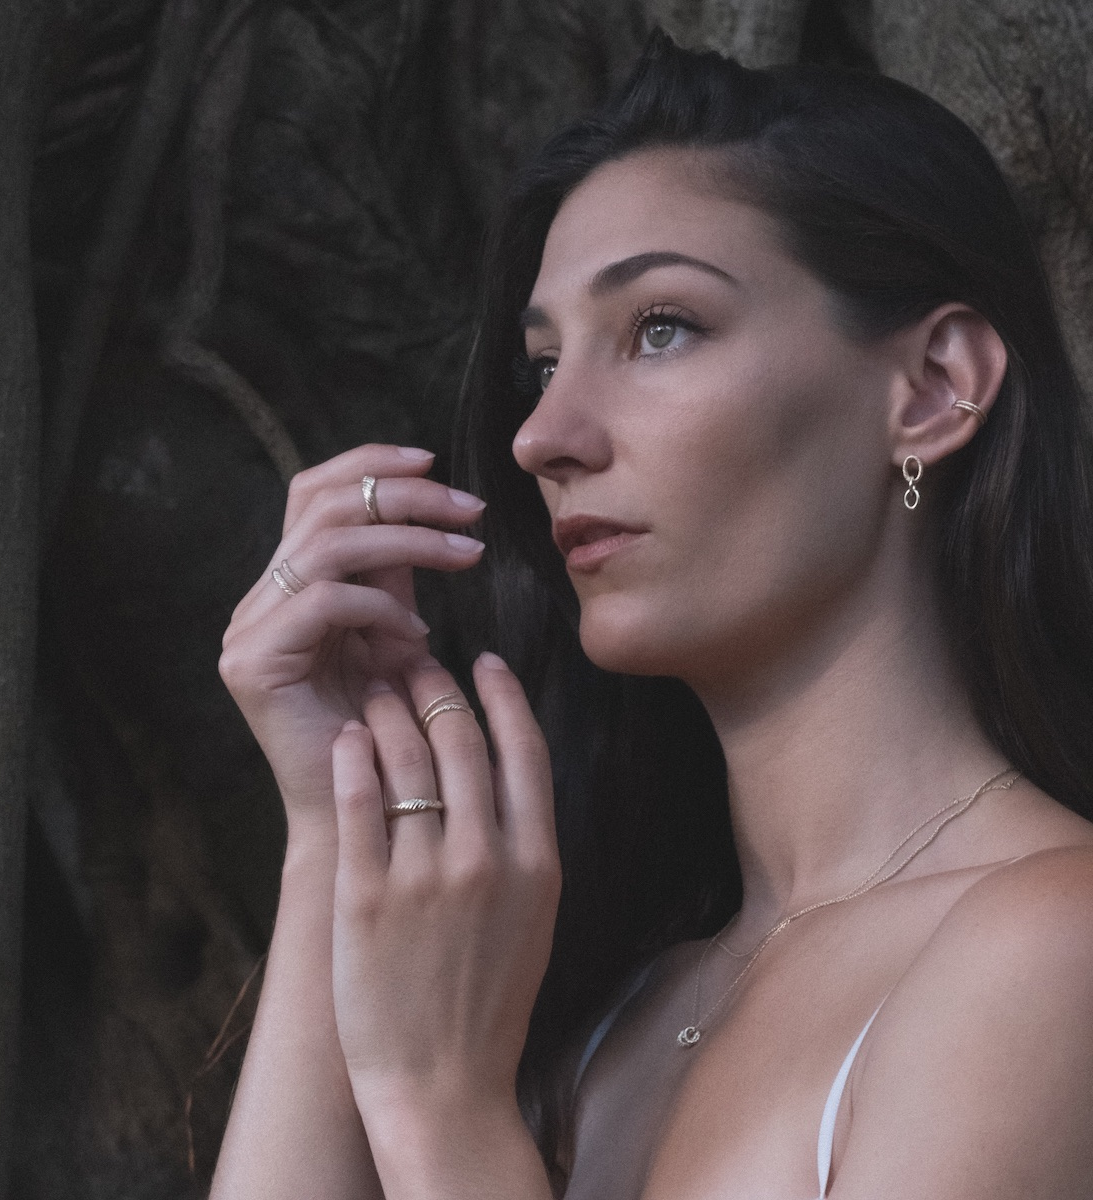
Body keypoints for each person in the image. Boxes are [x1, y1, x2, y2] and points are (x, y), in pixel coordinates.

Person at [209, 33, 1093, 1200]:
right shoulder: (611, 1016)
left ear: (932, 389)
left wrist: (443, 1109)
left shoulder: (1052, 948)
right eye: (539, 365)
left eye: (661, 327)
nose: (542, 436)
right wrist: (336, 819)